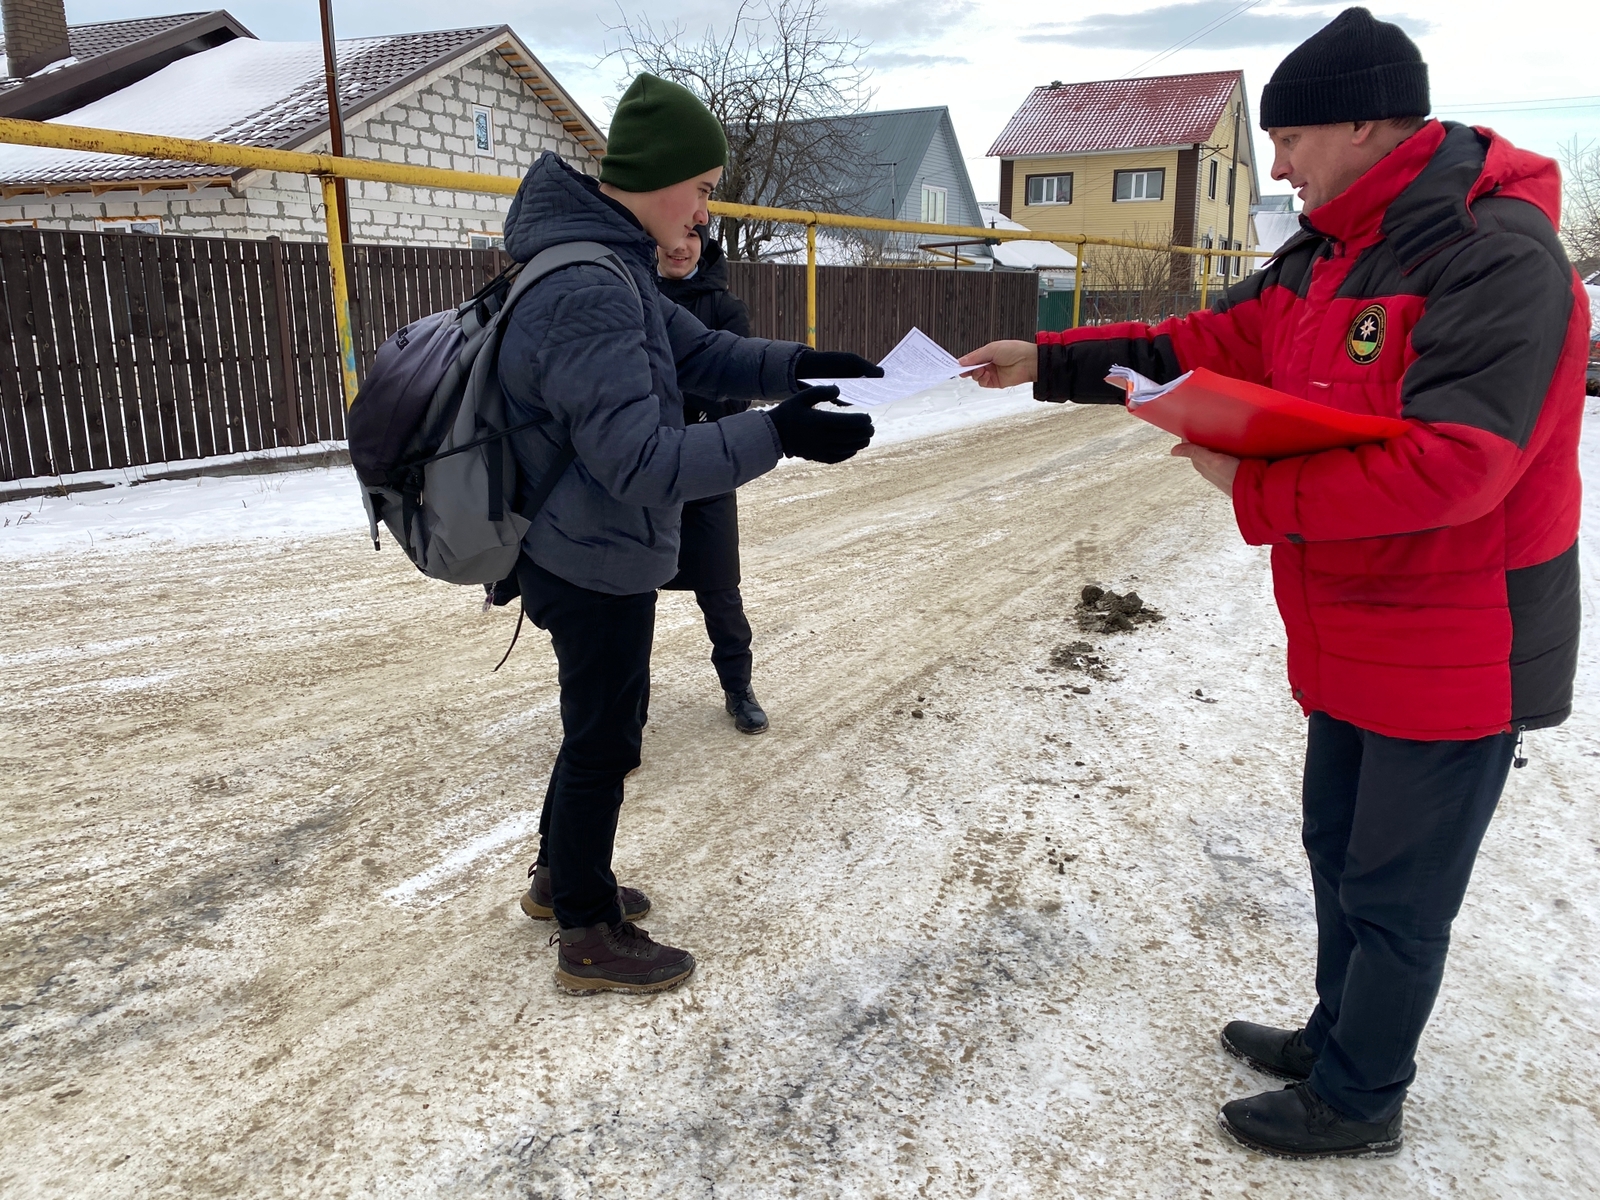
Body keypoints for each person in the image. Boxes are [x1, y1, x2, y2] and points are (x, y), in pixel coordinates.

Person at [963, 7, 1587, 1160]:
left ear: (1365, 124)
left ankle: (1360, 1099)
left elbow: (1460, 465)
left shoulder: (1492, 255)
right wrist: (1046, 359)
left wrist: (1254, 490)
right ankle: (1335, 1037)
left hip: (1459, 640)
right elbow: (1201, 342)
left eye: (1290, 140)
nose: (1280, 166)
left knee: (1397, 891)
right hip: (1351, 623)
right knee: (1339, 852)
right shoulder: (1327, 254)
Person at [497, 73, 882, 994]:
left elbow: (701, 350)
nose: (706, 210)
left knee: (598, 723)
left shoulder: (607, 261)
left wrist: (801, 364)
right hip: (588, 550)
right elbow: (639, 460)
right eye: (702, 188)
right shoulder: (587, 285)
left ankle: (561, 879)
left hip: (589, 538)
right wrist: (779, 435)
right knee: (604, 739)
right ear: (659, 178)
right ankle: (587, 933)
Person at [655, 225, 770, 735]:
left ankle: (738, 689)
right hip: (644, 465)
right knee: (630, 594)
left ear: (705, 245)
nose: (679, 247)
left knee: (721, 590)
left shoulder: (724, 308)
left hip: (705, 464)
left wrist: (693, 408)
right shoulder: (630, 295)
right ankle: (626, 703)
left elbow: (737, 389)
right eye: (670, 236)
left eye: (692, 237)